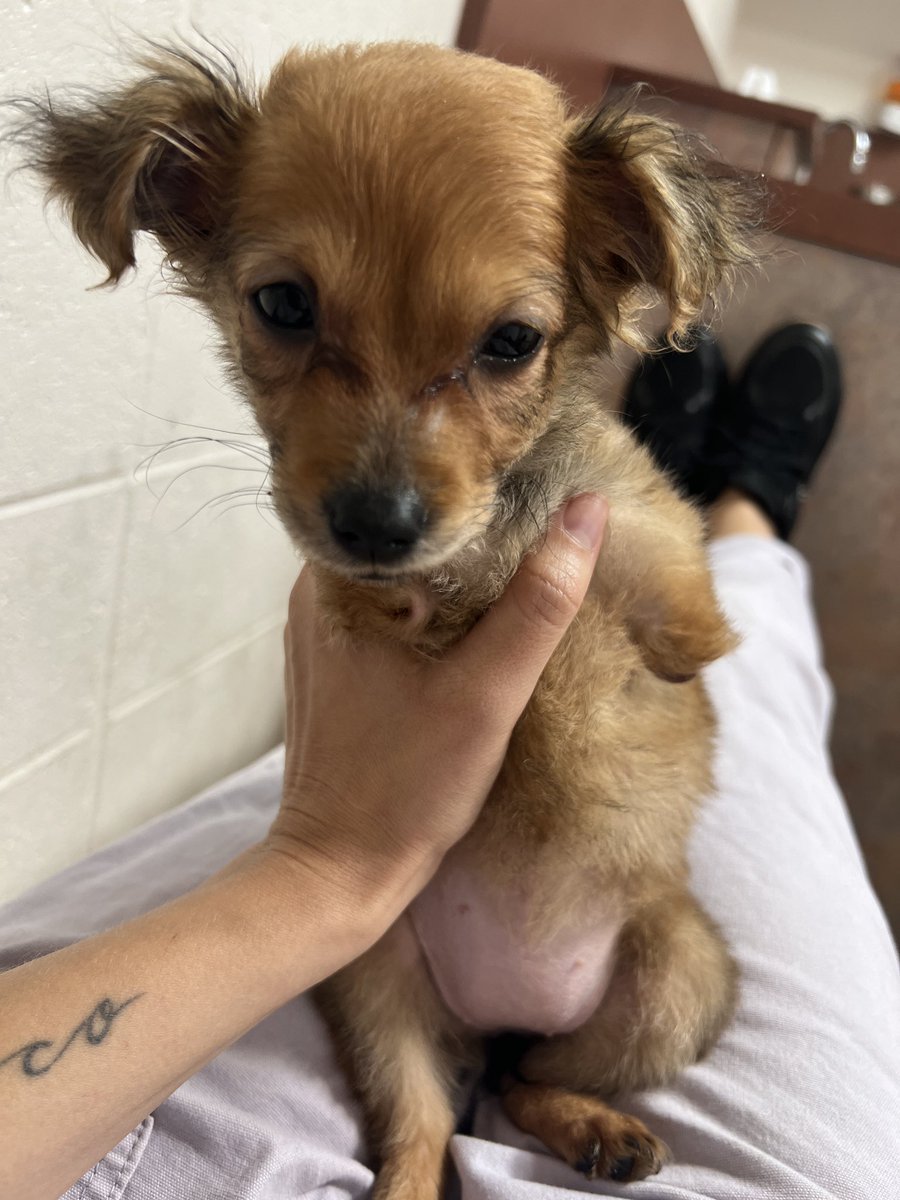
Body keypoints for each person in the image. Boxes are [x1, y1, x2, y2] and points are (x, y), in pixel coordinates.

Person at [1, 324, 898, 1200]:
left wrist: (322, 862)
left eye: (503, 343)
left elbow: (683, 638)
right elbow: (692, 643)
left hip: (495, 907)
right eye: (288, 309)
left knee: (679, 989)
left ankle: (727, 509)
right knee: (761, 693)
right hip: (422, 915)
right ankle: (754, 515)